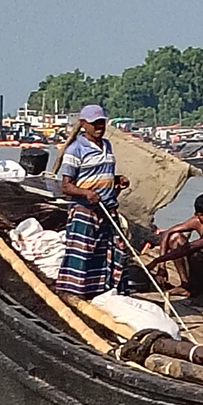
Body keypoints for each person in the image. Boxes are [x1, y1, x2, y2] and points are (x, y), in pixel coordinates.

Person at [56, 104, 132, 298]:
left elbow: (102, 174)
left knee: (111, 252)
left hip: (107, 208)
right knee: (82, 253)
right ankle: (75, 293)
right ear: (83, 124)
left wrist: (117, 180)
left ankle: (102, 291)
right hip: (85, 209)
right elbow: (66, 186)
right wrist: (85, 193)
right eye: (94, 124)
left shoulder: (107, 145)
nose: (99, 127)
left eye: (101, 123)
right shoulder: (75, 150)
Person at [144, 194, 203, 301]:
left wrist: (157, 260)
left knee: (195, 255)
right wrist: (161, 267)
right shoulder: (196, 222)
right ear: (197, 215)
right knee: (175, 238)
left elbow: (189, 248)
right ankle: (185, 284)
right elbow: (168, 233)